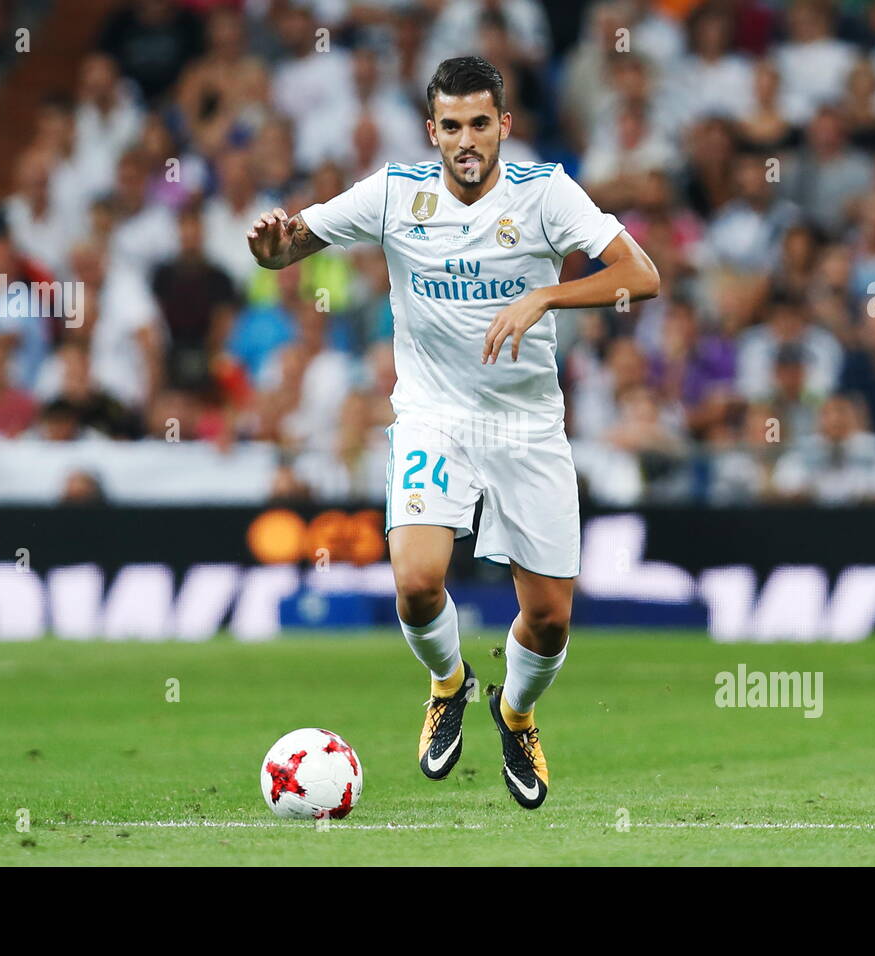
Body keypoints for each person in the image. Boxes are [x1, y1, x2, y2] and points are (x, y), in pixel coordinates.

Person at [246, 56, 659, 809]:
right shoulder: (397, 193)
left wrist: (548, 296)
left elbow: (642, 274)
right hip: (434, 417)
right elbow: (295, 243)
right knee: (415, 581)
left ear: (503, 125)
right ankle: (449, 684)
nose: (465, 139)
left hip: (527, 425)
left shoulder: (546, 194)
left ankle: (515, 712)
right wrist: (274, 248)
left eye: (479, 123)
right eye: (450, 125)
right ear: (431, 130)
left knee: (549, 617)